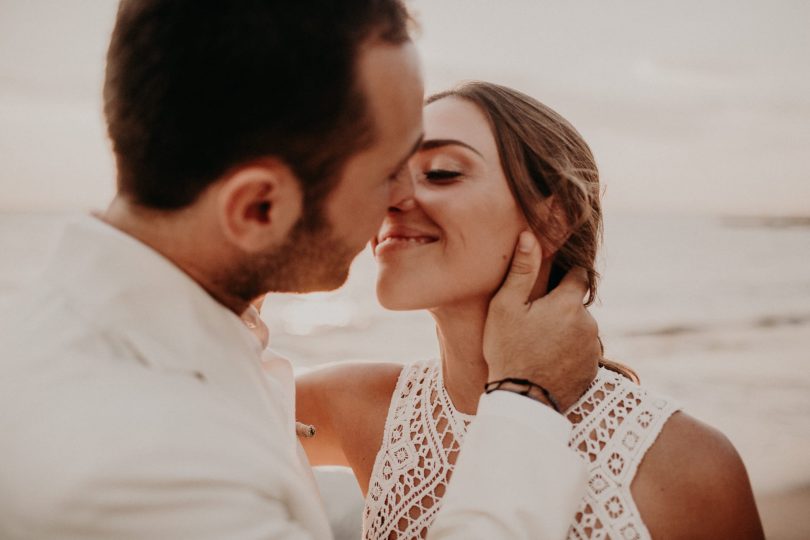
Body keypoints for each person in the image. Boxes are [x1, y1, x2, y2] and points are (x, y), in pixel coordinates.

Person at [0, 2, 601, 539]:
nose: (401, 195)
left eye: (436, 169)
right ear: (259, 207)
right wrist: (527, 397)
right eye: (386, 170)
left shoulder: (174, 324)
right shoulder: (138, 467)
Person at [295, 82, 765, 539]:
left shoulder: (688, 466)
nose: (390, 200)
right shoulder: (354, 406)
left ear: (553, 217)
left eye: (440, 172)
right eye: (385, 175)